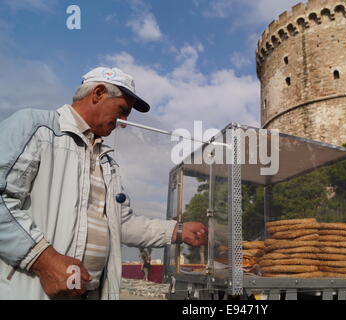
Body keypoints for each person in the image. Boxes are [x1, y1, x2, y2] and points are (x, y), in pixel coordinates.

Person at [0, 67, 208, 299]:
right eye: (123, 110)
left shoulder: (106, 161)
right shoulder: (36, 128)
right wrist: (43, 261)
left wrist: (177, 231)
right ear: (98, 93)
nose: (125, 123)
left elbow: (121, 223)